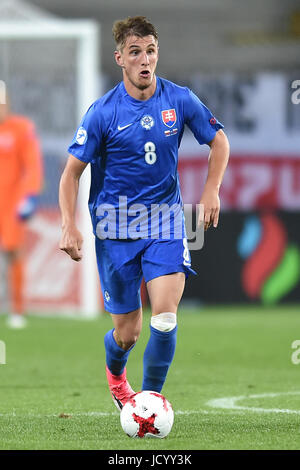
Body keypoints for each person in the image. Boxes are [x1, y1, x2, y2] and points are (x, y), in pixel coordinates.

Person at [59, 16, 230, 410]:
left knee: (165, 318)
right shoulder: (102, 113)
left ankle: (149, 402)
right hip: (114, 229)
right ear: (120, 58)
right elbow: (70, 175)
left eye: (150, 51)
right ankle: (118, 378)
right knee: (128, 334)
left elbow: (218, 141)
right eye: (135, 52)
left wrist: (211, 190)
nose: (144, 59)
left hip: (165, 222)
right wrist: (69, 225)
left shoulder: (179, 100)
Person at [0, 87, 43, 328]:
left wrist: (30, 195)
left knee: (14, 252)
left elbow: (32, 164)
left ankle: (17, 309)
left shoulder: (21, 129)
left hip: (11, 202)